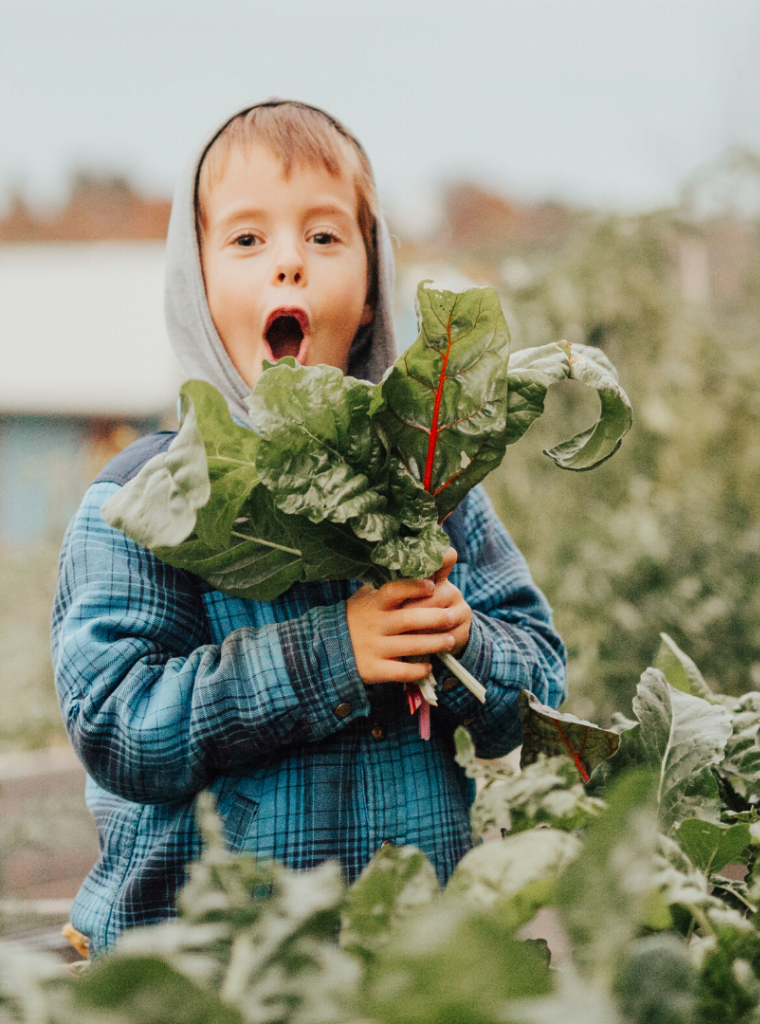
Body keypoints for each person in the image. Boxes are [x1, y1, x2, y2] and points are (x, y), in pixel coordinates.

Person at [50, 100, 567, 954]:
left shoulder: (431, 484)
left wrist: (466, 639)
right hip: (207, 971)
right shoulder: (146, 499)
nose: (288, 262)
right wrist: (335, 652)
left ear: (369, 292)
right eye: (248, 241)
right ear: (199, 287)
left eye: (324, 238)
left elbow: (543, 684)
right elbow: (117, 724)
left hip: (400, 965)